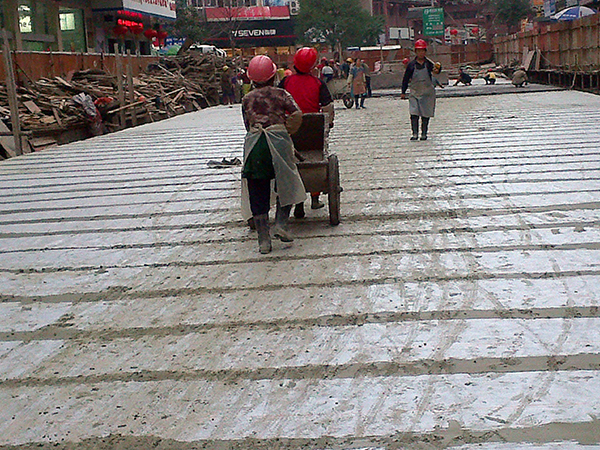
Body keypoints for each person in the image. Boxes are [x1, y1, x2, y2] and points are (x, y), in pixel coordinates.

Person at [241, 55, 306, 254]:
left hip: (255, 146)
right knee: (287, 181)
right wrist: (286, 130)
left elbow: (247, 125)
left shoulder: (247, 99)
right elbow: (297, 114)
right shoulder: (281, 94)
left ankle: (263, 240)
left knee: (257, 189)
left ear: (252, 79)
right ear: (273, 76)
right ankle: (281, 224)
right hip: (278, 142)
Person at [280, 46, 335, 217]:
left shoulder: (286, 82)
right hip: (313, 130)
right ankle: (315, 198)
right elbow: (327, 107)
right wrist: (329, 123)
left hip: (290, 130)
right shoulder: (318, 84)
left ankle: (297, 202)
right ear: (313, 66)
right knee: (318, 154)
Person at [401, 39, 436, 141]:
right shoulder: (411, 65)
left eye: (423, 51)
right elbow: (406, 79)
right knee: (414, 113)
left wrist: (438, 69)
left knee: (426, 114)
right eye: (419, 51)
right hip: (415, 92)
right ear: (415, 52)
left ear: (425, 52)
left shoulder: (429, 64)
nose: (421, 53)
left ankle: (424, 133)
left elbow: (436, 71)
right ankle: (415, 133)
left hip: (427, 92)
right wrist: (403, 92)